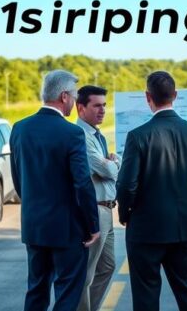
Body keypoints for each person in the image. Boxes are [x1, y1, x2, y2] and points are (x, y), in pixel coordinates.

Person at [116, 71, 187, 311]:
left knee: (146, 295)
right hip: (185, 226)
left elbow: (126, 185)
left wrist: (125, 214)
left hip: (145, 228)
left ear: (147, 97)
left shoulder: (138, 136)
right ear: (175, 95)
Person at [10, 70, 101, 311]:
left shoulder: (19, 129)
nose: (74, 101)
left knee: (36, 290)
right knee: (67, 293)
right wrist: (93, 225)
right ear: (64, 96)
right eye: (73, 96)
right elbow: (82, 183)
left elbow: (19, 179)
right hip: (67, 229)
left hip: (34, 227)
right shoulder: (72, 133)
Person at [75, 85, 119, 311]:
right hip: (95, 210)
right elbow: (107, 170)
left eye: (104, 105)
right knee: (86, 274)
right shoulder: (81, 136)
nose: (102, 110)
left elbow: (107, 170)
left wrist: (111, 164)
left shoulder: (96, 135)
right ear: (80, 108)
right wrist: (116, 162)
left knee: (108, 266)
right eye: (96, 106)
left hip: (108, 210)